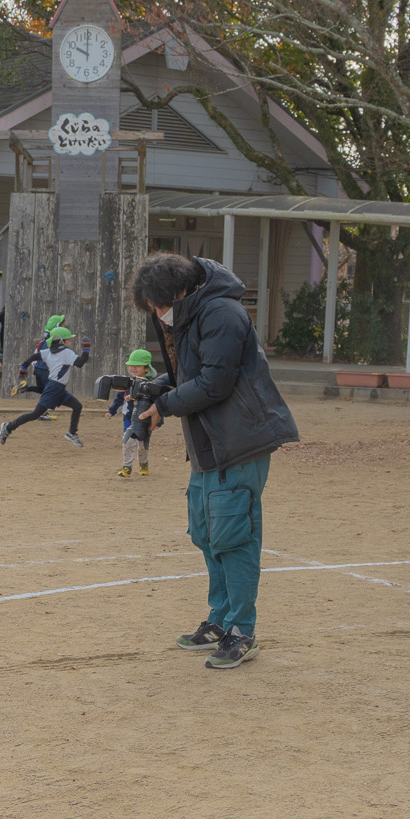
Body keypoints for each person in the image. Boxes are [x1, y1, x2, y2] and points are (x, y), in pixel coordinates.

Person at [130, 253, 299, 669]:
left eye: (157, 305)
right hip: (208, 445)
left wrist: (164, 405)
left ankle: (242, 630)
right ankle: (221, 620)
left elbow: (215, 382)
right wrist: (155, 388)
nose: (157, 314)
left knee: (234, 537)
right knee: (207, 534)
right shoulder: (191, 315)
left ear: (179, 292)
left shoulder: (222, 313)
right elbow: (190, 375)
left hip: (239, 441)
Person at [0, 326, 90, 446]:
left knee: (77, 406)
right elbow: (80, 363)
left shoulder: (48, 352)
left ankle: (72, 433)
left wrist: (22, 371)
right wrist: (86, 349)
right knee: (35, 414)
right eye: (68, 339)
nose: (70, 342)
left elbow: (32, 358)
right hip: (55, 388)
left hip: (57, 388)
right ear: (61, 341)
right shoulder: (66, 352)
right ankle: (8, 427)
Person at [107, 349, 160, 478]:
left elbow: (157, 405)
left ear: (146, 368)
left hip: (144, 419)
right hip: (128, 418)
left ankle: (143, 463)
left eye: (137, 366)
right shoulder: (127, 383)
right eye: (131, 365)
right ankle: (127, 467)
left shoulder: (151, 385)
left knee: (142, 444)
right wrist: (111, 411)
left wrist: (159, 421)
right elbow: (119, 399)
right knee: (127, 441)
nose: (133, 368)